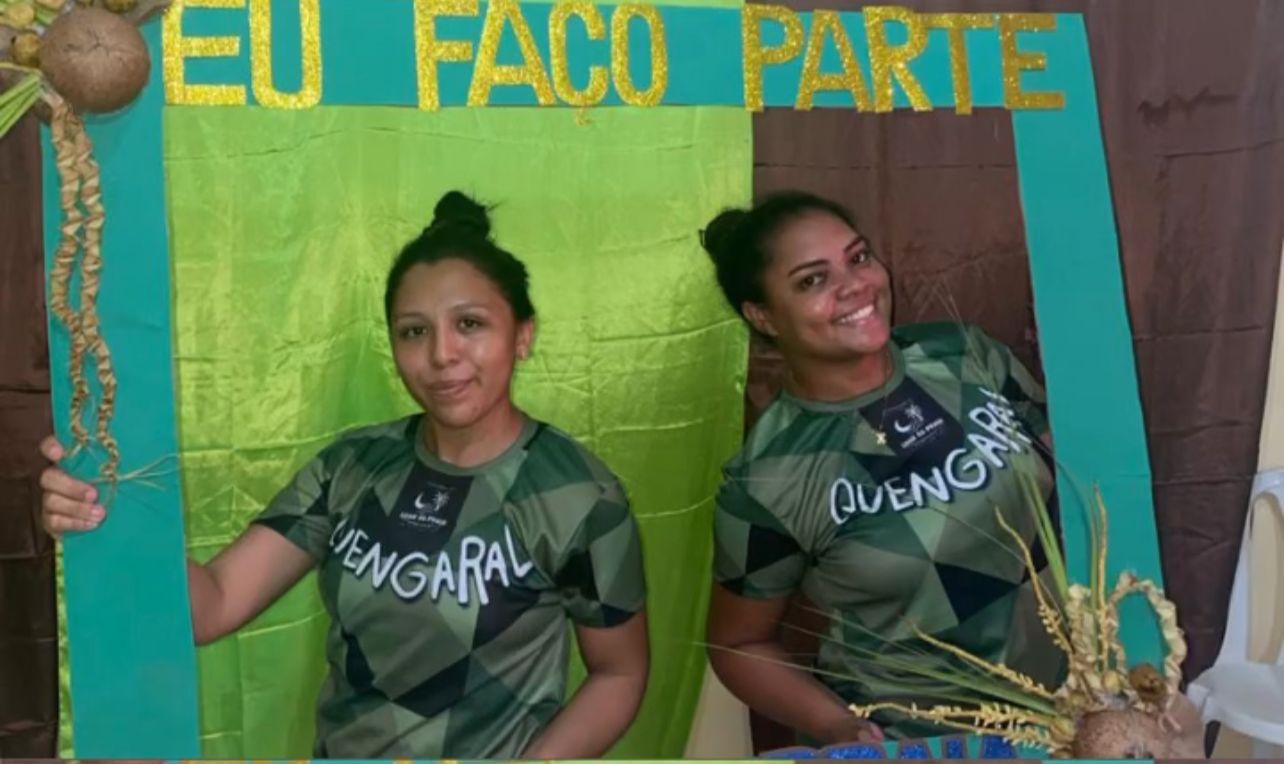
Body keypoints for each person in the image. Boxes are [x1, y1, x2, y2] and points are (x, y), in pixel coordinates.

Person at [38, 191, 649, 759]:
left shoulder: (578, 496)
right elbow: (212, 606)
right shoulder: (353, 466)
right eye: (415, 331)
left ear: (522, 335)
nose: (442, 355)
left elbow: (619, 673)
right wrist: (103, 506)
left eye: (470, 324)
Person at [700, 191, 1062, 745]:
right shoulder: (768, 480)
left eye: (859, 257)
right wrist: (834, 724)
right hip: (925, 742)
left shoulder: (963, 355)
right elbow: (738, 644)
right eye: (812, 280)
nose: (855, 286)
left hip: (1074, 708)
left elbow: (1073, 474)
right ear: (762, 315)